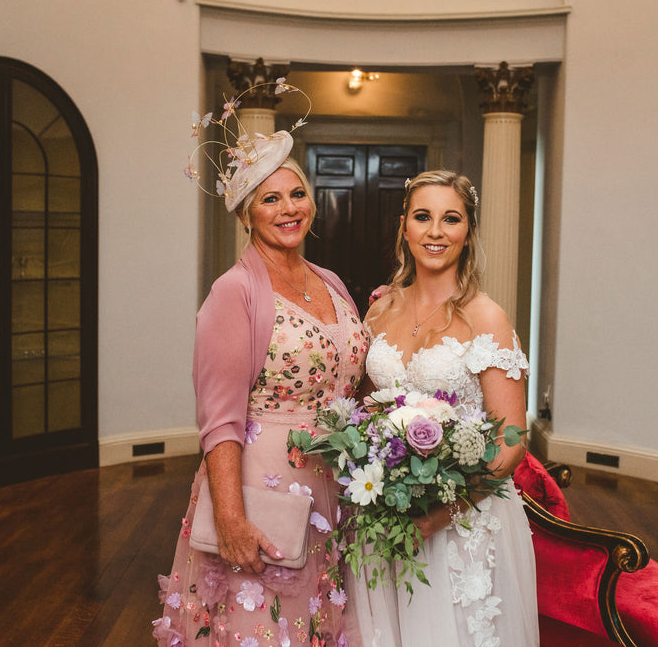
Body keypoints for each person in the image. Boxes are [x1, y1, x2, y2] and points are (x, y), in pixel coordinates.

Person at [153, 119, 368, 646]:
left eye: (297, 194)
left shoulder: (331, 282)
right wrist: (230, 518)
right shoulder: (234, 292)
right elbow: (219, 420)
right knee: (266, 627)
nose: (288, 208)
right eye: (270, 199)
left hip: (333, 490)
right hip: (261, 493)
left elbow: (350, 377)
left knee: (320, 623)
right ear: (247, 213)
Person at [350, 170, 539, 646]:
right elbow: (367, 411)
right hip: (386, 517)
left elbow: (512, 441)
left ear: (468, 232)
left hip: (463, 523)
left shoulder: (486, 317)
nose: (435, 231)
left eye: (450, 219)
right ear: (404, 228)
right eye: (423, 217)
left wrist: (440, 514)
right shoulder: (379, 310)